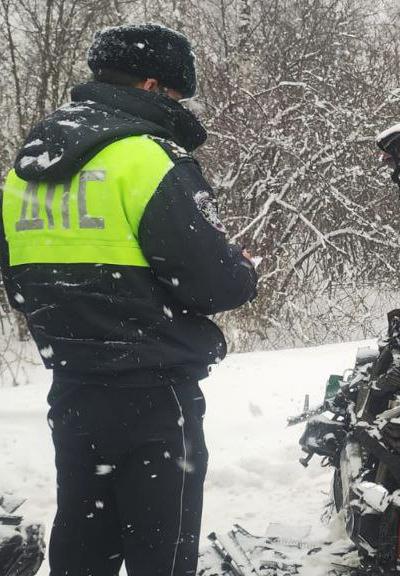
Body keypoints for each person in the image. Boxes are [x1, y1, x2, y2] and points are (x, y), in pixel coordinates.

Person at [0, 23, 258, 575]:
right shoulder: (145, 159)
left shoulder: (22, 173)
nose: (180, 107)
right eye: (176, 96)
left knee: (82, 548)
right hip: (154, 398)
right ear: (151, 87)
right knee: (160, 557)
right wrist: (243, 270)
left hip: (73, 391)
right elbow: (216, 284)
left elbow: (20, 288)